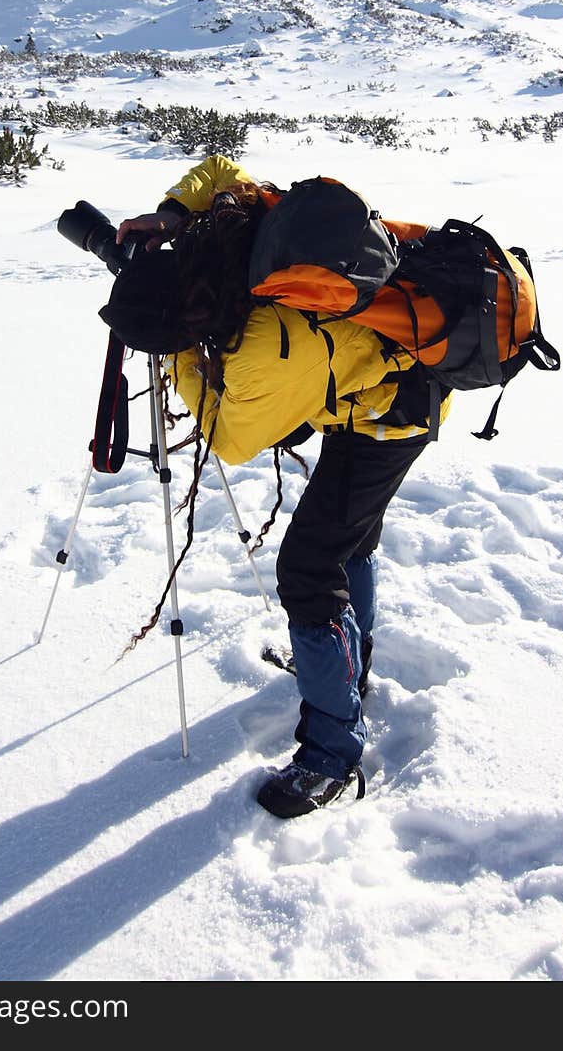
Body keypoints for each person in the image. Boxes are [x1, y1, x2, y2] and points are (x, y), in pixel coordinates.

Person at [105, 155, 448, 818]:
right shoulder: (227, 245)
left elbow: (231, 439)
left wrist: (178, 355)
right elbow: (219, 167)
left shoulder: (267, 342)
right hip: (365, 387)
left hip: (390, 418)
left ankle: (332, 754)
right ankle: (349, 667)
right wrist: (176, 214)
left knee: (309, 568)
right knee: (344, 541)